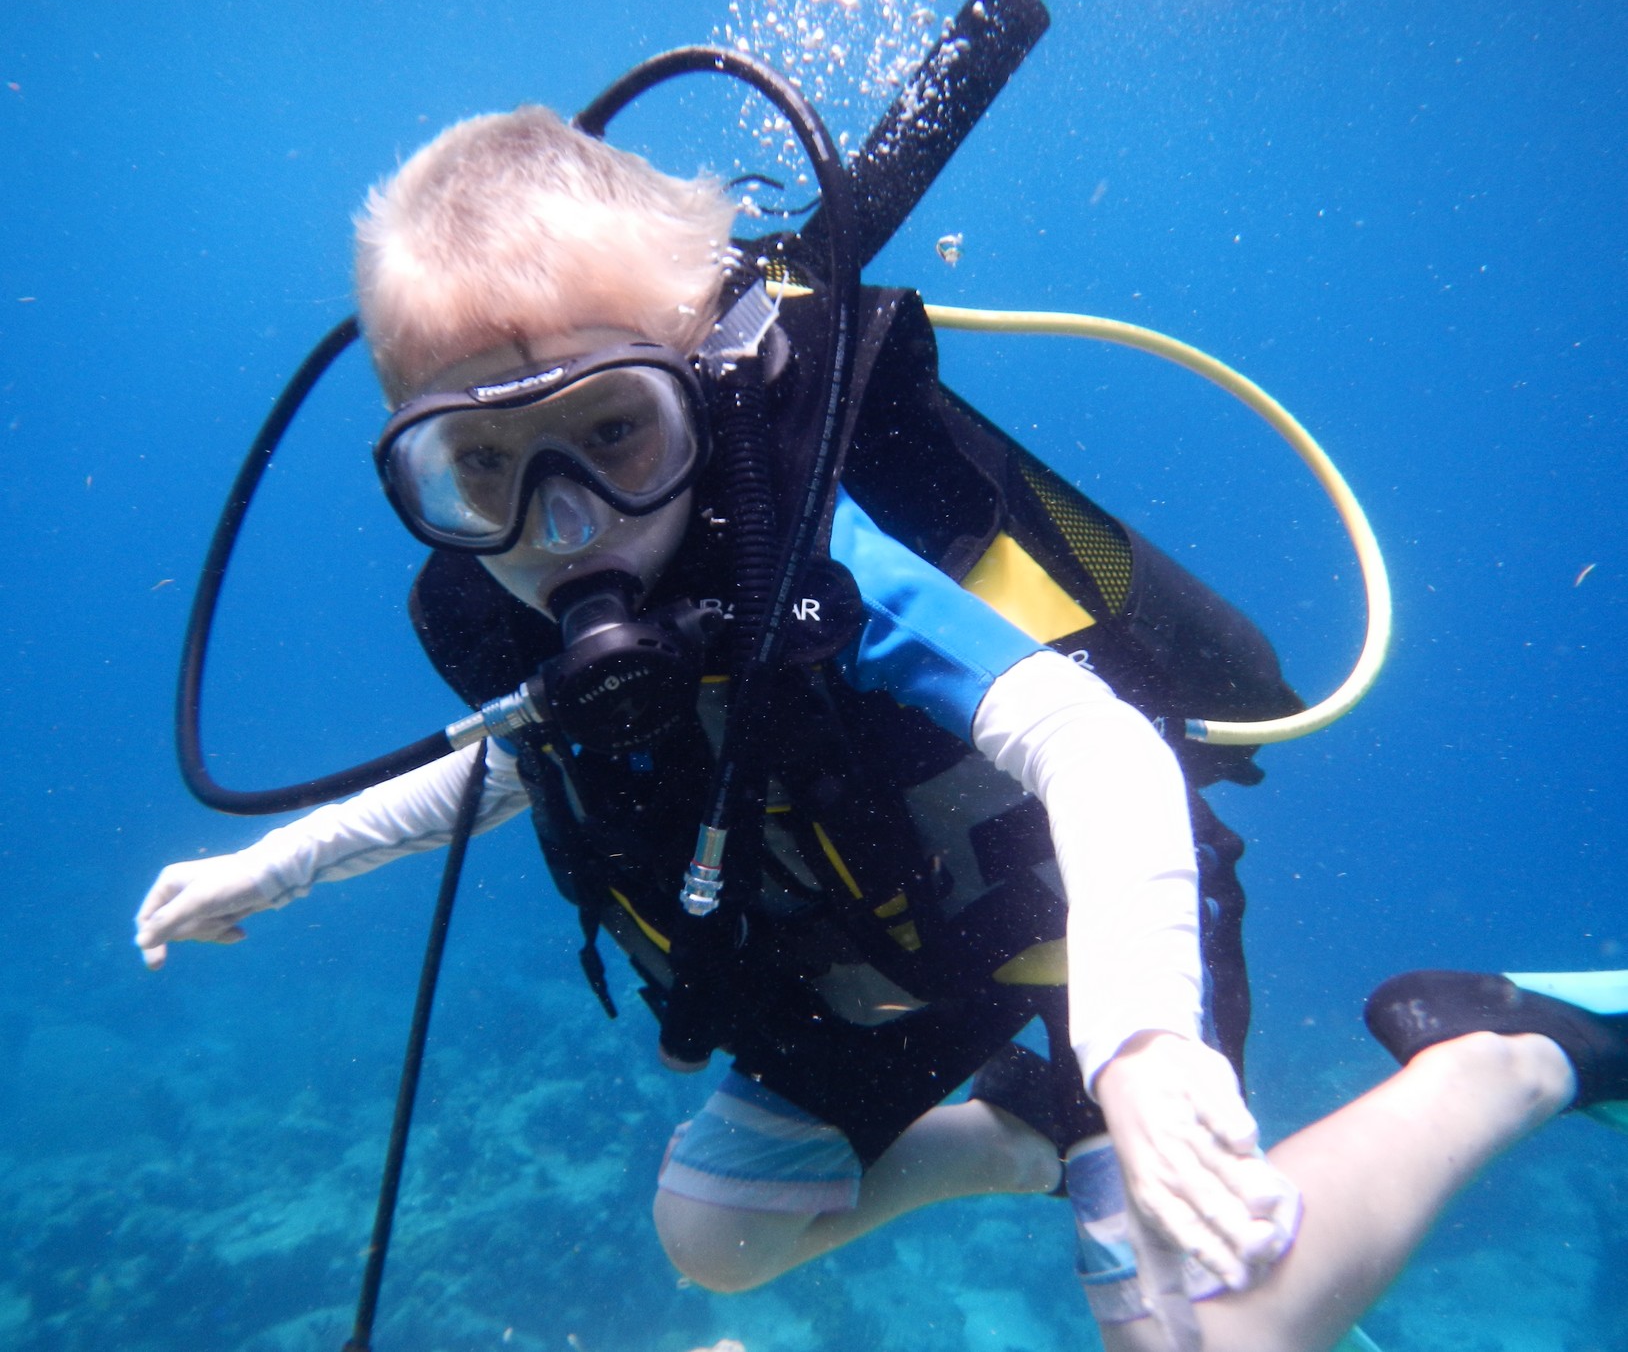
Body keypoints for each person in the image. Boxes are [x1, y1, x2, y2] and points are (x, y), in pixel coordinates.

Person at [135, 105, 1628, 1352]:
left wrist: (1142, 1038)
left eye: (612, 434)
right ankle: (1044, 1133)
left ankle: (1512, 1052)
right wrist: (276, 867)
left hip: (1074, 930)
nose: (565, 526)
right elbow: (508, 760)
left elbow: (1097, 747)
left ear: (703, 392)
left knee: (1205, 1337)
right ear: (417, 469)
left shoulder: (819, 553)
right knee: (713, 1233)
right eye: (482, 469)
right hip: (893, 969)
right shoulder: (524, 617)